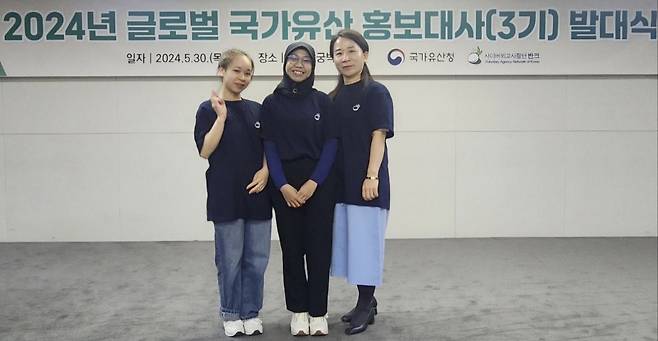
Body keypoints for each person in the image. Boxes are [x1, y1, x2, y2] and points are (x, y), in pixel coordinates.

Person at [260, 42, 338, 336]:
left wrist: (313, 182)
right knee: (292, 250)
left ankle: (318, 312)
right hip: (284, 185)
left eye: (306, 60)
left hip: (319, 181)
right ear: (285, 63)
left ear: (313, 67)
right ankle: (299, 311)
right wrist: (282, 185)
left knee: (319, 250)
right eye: (294, 58)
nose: (299, 64)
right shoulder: (271, 102)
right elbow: (269, 145)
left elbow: (332, 143)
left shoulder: (322, 102)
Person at [193, 49, 272, 337]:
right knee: (229, 260)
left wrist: (266, 171)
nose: (242, 77)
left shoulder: (257, 110)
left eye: (248, 73)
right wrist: (221, 117)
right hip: (225, 196)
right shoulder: (207, 109)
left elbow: (269, 148)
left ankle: (251, 313)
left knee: (257, 259)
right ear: (222, 70)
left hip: (259, 196)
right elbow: (205, 150)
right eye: (237, 70)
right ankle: (230, 312)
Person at [328, 29, 395, 336]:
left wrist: (372, 176)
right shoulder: (333, 97)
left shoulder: (376, 92)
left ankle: (366, 305)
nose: (345, 58)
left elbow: (378, 136)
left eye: (351, 51)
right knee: (351, 247)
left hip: (368, 184)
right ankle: (364, 300)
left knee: (366, 245)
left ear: (365, 55)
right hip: (339, 186)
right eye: (339, 53)